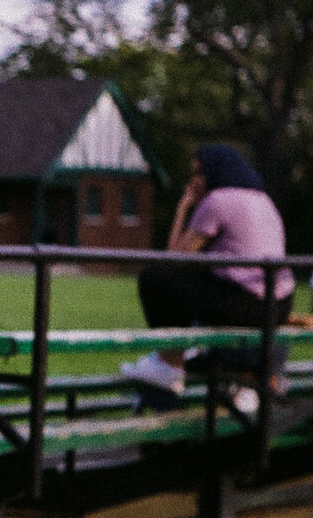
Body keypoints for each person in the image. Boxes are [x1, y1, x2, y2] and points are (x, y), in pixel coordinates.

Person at [120, 144, 295, 414]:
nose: (193, 180)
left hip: (250, 305)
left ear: (215, 170)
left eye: (198, 172)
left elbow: (173, 262)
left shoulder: (218, 200)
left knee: (153, 278)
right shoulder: (262, 199)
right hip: (279, 305)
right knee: (189, 280)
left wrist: (183, 208)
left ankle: (169, 364)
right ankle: (194, 364)